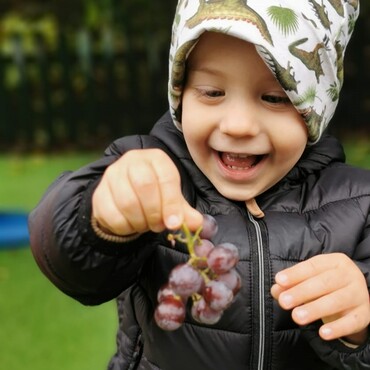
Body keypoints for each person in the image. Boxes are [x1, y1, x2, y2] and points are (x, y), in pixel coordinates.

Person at [28, 0, 370, 369]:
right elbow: (67, 259)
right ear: (181, 94)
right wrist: (102, 218)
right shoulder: (150, 174)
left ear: (315, 110)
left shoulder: (359, 204)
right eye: (211, 92)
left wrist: (360, 326)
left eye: (274, 97)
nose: (238, 124)